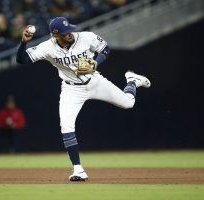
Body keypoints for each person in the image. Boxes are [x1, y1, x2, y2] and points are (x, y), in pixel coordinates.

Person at [16, 16, 151, 181]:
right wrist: (24, 42)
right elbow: (21, 60)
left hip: (95, 81)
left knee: (128, 103)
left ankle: (132, 81)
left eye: (70, 29)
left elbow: (106, 49)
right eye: (65, 32)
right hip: (71, 90)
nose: (70, 33)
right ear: (55, 35)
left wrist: (95, 62)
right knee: (66, 126)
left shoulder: (86, 37)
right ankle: (78, 169)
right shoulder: (47, 47)